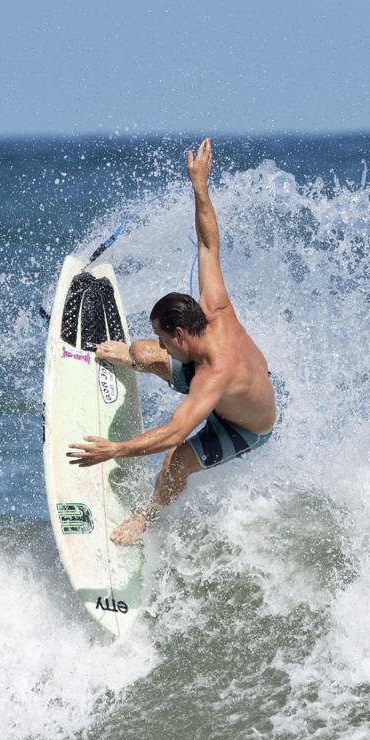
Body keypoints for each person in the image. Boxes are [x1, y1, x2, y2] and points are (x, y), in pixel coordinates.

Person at [67, 138, 276, 545]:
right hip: (239, 382)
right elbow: (208, 243)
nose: (162, 344)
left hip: (246, 425)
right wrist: (200, 186)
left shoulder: (214, 376)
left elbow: (175, 432)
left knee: (176, 462)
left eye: (165, 338)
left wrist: (115, 449)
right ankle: (131, 357)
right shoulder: (213, 306)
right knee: (141, 355)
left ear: (180, 333)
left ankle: (148, 518)